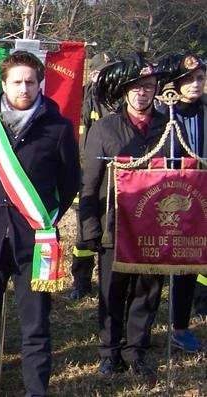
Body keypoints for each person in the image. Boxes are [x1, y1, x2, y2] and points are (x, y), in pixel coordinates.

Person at [0, 51, 80, 397]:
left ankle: (35, 391)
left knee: (36, 325)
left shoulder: (58, 128)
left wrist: (41, 218)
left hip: (37, 242)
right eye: (17, 81)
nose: (24, 88)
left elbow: (69, 182)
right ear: (4, 84)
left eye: (30, 81)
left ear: (40, 83)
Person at [78, 54, 166, 379]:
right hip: (114, 226)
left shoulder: (167, 126)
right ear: (125, 91)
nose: (142, 93)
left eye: (148, 86)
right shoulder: (104, 128)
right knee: (112, 292)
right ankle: (110, 352)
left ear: (155, 89)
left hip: (154, 227)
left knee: (147, 292)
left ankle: (136, 350)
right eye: (136, 87)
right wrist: (89, 227)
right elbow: (90, 181)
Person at [152, 52, 205, 353]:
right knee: (152, 264)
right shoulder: (162, 113)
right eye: (187, 79)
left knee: (187, 263)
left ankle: (181, 326)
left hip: (199, 198)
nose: (195, 84)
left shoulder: (205, 111)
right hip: (162, 196)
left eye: (199, 78)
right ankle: (141, 328)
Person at [70, 51, 118, 300]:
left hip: (114, 181)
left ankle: (110, 281)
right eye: (100, 72)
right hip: (84, 176)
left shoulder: (118, 99)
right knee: (83, 235)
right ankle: (81, 281)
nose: (103, 78)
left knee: (112, 233)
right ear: (91, 73)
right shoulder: (79, 98)